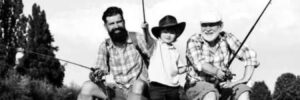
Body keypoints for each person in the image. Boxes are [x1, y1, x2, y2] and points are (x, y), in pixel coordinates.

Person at [77, 6, 155, 100]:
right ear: (105, 26)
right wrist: (95, 75)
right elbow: (99, 68)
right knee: (87, 87)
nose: (116, 26)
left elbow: (153, 51)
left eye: (119, 22)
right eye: (111, 24)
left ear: (124, 22)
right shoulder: (104, 46)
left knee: (138, 85)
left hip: (140, 91)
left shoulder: (137, 38)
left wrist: (147, 33)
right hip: (118, 90)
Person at [185, 11, 260, 100]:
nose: (207, 29)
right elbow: (200, 64)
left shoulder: (227, 37)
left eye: (212, 25)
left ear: (220, 26)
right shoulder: (194, 40)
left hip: (222, 85)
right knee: (210, 93)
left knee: (243, 91)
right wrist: (217, 72)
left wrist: (244, 79)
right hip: (196, 84)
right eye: (204, 25)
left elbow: (249, 55)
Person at [143, 15, 188, 100]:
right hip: (157, 86)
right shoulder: (156, 45)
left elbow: (177, 70)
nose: (168, 35)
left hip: (173, 87)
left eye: (171, 32)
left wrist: (186, 68)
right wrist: (145, 30)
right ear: (160, 33)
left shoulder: (175, 51)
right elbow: (147, 39)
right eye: (165, 32)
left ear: (176, 34)